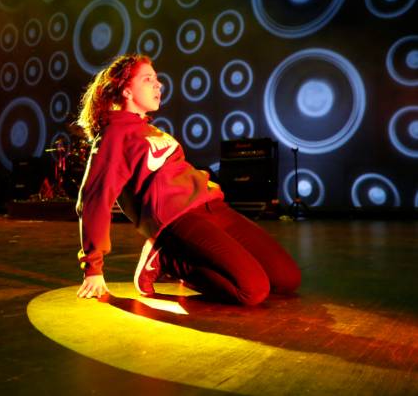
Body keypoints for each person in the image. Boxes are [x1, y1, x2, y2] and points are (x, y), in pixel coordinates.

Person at [74, 54, 301, 305]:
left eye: (157, 79)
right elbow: (94, 198)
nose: (158, 84)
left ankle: (182, 256)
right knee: (253, 291)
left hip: (213, 207)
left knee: (287, 278)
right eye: (147, 79)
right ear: (126, 90)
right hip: (178, 219)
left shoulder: (151, 130)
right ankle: (166, 259)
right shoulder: (114, 135)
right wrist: (93, 267)